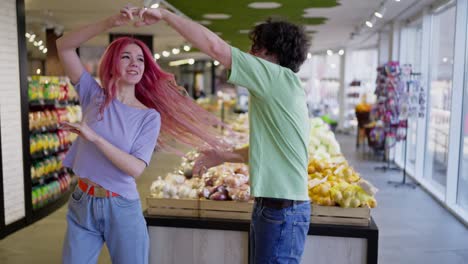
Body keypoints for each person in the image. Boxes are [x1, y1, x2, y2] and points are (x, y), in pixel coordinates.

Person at [135, 6, 311, 263]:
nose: (250, 55)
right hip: (275, 207)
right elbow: (271, 150)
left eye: (256, 49)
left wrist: (165, 15)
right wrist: (223, 155)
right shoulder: (283, 88)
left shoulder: (275, 78)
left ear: (273, 54)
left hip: (282, 210)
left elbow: (215, 47)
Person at [57, 6, 227, 264]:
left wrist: (95, 139)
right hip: (82, 200)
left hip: (121, 207)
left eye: (140, 59)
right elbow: (64, 46)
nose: (134, 63)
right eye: (126, 57)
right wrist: (110, 21)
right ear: (113, 62)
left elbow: (135, 168)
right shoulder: (93, 95)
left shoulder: (149, 116)